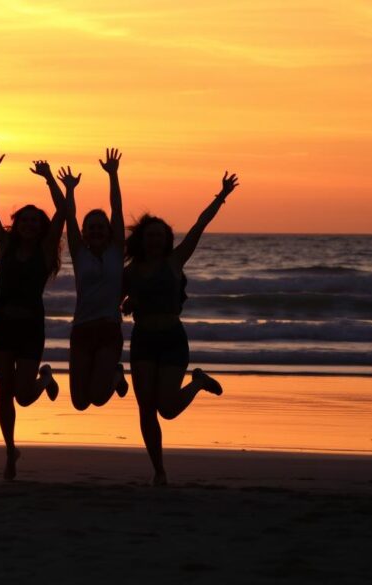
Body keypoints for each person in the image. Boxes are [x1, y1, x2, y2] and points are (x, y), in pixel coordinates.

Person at [122, 171, 240, 486]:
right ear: (142, 239)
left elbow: (200, 225)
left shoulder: (175, 261)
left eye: (161, 235)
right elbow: (116, 301)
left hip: (172, 339)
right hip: (144, 340)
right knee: (146, 409)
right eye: (150, 235)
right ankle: (158, 470)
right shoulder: (130, 272)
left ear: (167, 239)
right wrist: (127, 304)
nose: (155, 240)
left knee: (168, 409)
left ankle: (198, 382)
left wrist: (221, 196)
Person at [0, 147, 65, 480]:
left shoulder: (45, 252)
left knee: (24, 396)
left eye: (35, 221)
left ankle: (44, 379)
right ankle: (9, 451)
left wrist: (50, 180)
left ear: (41, 227)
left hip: (30, 327)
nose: (30, 224)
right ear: (16, 225)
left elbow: (64, 211)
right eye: (24, 220)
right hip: (1, 325)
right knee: (4, 391)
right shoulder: (6, 245)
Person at [53, 149, 129, 412]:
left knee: (98, 396)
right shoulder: (79, 253)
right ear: (84, 233)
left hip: (109, 329)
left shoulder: (116, 251)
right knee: (80, 403)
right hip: (82, 330)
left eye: (100, 226)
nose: (96, 230)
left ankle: (117, 375)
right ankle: (114, 375)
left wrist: (113, 175)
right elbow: (69, 217)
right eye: (91, 227)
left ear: (108, 231)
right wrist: (70, 189)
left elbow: (117, 209)